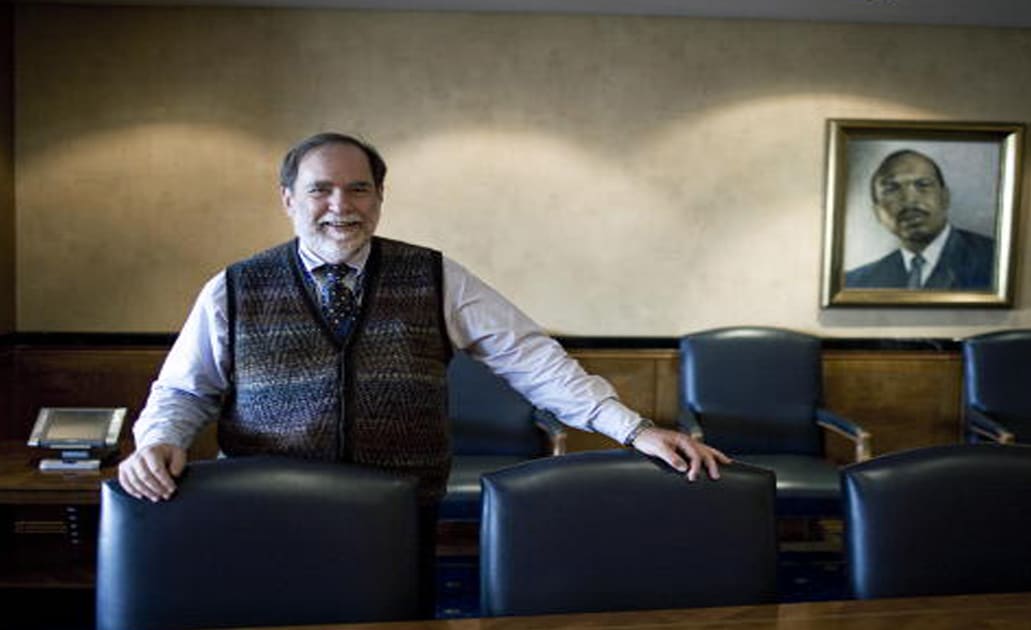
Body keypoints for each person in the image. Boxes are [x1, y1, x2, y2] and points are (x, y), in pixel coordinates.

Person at [117, 132, 729, 615]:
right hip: (267, 509)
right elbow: (183, 388)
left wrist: (636, 430)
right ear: (288, 198)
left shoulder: (438, 277)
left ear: (379, 199)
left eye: (358, 190)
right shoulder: (233, 286)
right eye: (321, 190)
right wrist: (158, 441)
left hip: (398, 512)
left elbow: (537, 363)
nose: (340, 207)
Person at [844, 149, 994, 290]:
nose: (909, 200)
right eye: (891, 189)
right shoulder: (856, 283)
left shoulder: (997, 260)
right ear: (877, 213)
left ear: (945, 197)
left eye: (923, 185)